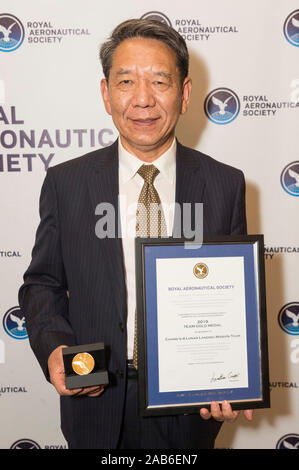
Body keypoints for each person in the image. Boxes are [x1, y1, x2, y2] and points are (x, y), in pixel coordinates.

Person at [19, 19, 252, 449]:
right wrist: (54, 347)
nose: (143, 99)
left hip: (188, 407)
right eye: (126, 81)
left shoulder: (224, 184)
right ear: (106, 94)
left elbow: (233, 299)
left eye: (160, 81)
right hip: (94, 397)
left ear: (183, 94)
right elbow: (42, 284)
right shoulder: (66, 183)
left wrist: (233, 373)